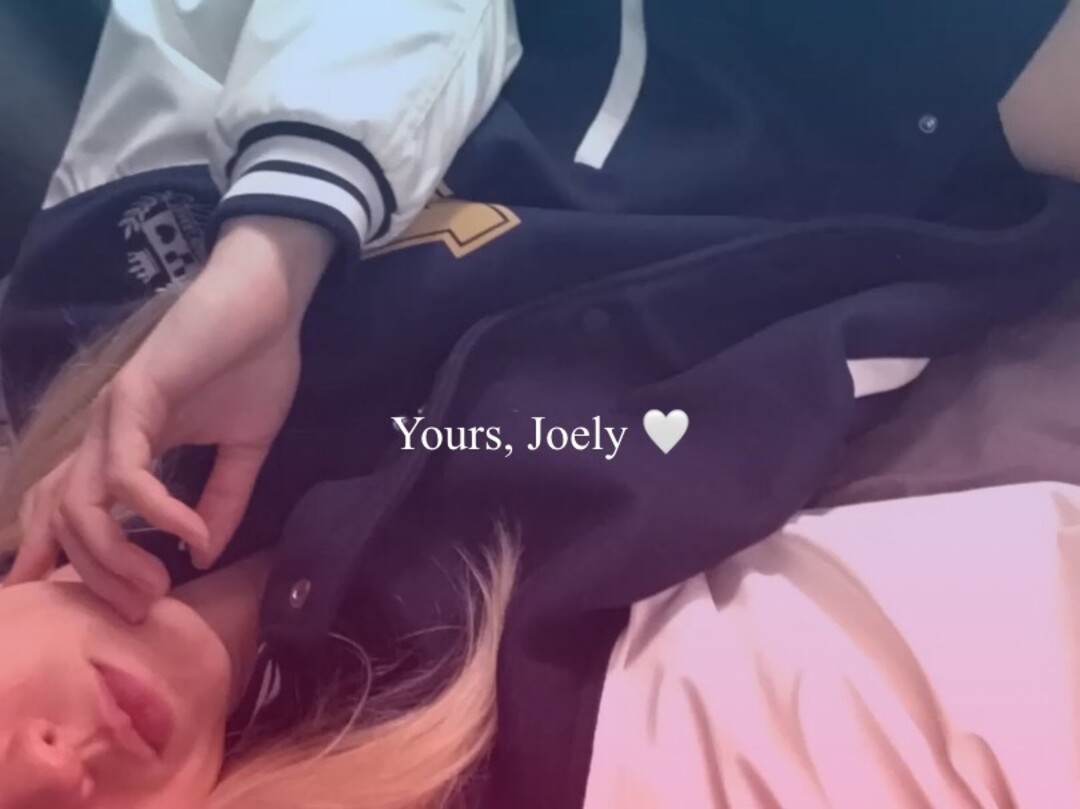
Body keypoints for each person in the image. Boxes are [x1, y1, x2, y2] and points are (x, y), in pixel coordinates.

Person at [3, 0, 1080, 806]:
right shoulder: (485, 729)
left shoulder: (90, 290)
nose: (48, 773)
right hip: (979, 107)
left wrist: (277, 247)